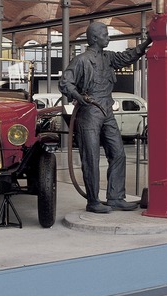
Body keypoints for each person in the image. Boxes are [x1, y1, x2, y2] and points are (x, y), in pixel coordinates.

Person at [59, 21, 151, 213]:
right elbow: (65, 82)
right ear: (94, 38)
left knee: (118, 153)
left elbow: (128, 56)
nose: (108, 37)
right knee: (91, 158)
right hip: (89, 112)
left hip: (107, 110)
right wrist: (77, 96)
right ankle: (93, 201)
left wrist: (147, 42)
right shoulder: (82, 60)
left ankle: (116, 197)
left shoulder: (108, 58)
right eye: (105, 35)